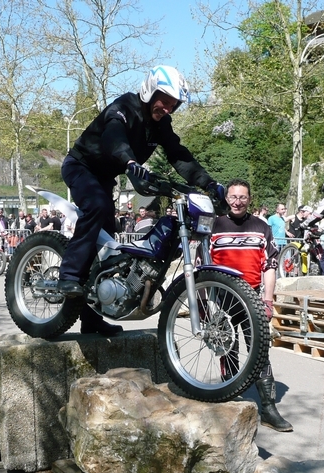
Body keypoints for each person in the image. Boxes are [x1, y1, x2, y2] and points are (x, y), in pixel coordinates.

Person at [56, 65, 223, 336]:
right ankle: (69, 275)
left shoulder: (161, 124)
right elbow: (113, 136)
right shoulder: (124, 106)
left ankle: (92, 319)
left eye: (173, 105)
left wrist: (209, 184)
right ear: (149, 91)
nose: (167, 109)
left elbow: (178, 154)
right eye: (164, 101)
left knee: (106, 246)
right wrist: (130, 161)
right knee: (97, 206)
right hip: (81, 167)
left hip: (106, 178)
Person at [209, 179, 292, 432]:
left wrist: (268, 301)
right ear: (226, 199)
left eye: (242, 197)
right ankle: (230, 402)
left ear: (250, 199)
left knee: (260, 352)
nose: (237, 202)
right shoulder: (213, 225)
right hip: (221, 299)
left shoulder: (261, 227)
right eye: (233, 197)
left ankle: (268, 408)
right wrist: (202, 305)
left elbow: (270, 266)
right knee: (227, 350)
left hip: (253, 298)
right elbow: (201, 264)